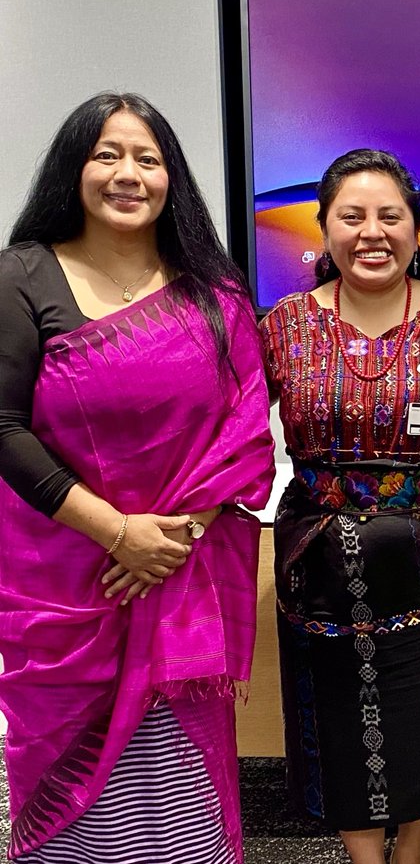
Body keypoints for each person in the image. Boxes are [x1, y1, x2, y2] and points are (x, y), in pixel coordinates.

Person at [0, 92, 274, 863]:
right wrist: (119, 533)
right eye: (108, 155)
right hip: (64, 589)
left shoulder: (213, 296)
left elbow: (246, 434)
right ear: (74, 169)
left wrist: (173, 538)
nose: (129, 174)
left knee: (179, 796)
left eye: (147, 158)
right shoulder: (21, 278)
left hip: (182, 578)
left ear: (171, 177)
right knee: (75, 801)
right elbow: (3, 429)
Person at [260, 149, 420, 864]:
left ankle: (415, 847)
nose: (371, 232)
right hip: (321, 556)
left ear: (418, 228)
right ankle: (364, 854)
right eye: (352, 216)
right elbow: (229, 429)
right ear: (325, 229)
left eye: (389, 215)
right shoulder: (282, 326)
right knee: (337, 708)